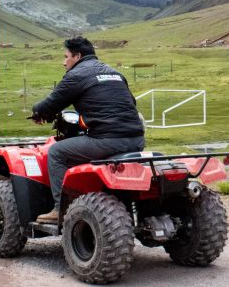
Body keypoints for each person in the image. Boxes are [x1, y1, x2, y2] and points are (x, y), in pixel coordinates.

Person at [31, 36, 145, 223]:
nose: (63, 62)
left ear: (77, 56)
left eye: (66, 57)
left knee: (56, 153)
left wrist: (37, 113)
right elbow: (131, 103)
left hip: (107, 141)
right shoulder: (115, 73)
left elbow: (50, 104)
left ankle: (61, 210)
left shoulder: (76, 75)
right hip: (136, 140)